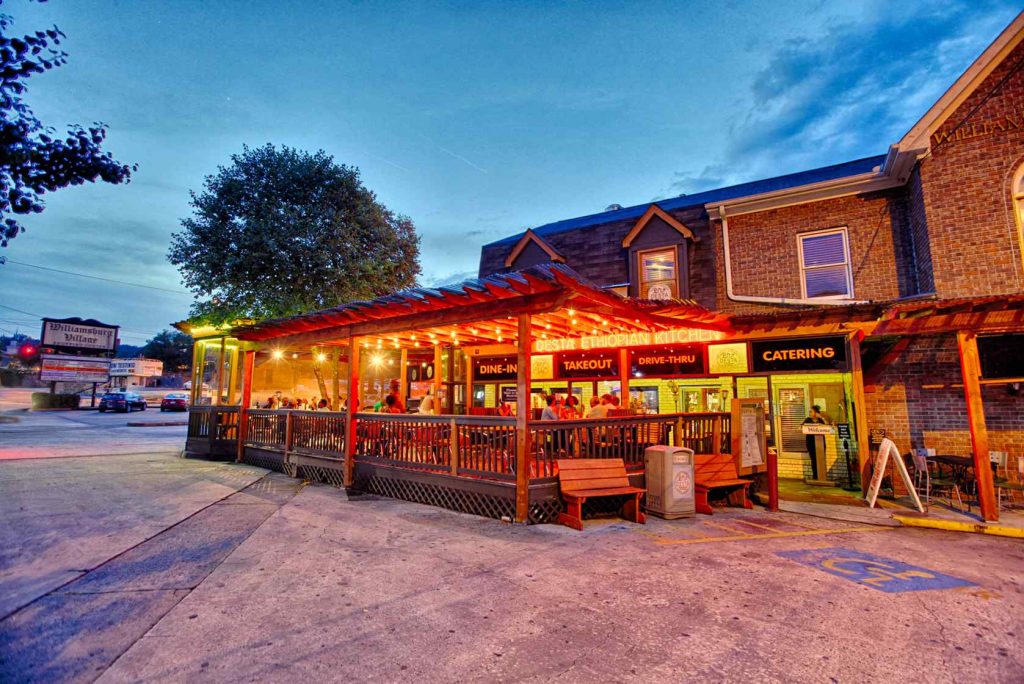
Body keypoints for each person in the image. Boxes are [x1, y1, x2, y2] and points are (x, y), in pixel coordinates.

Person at [803, 405, 830, 480]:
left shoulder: (820, 420)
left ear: (815, 412)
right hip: (811, 442)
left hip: (820, 442)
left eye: (811, 412)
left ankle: (822, 476)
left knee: (821, 459)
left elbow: (827, 425)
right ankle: (815, 476)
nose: (810, 413)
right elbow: (802, 427)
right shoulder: (808, 420)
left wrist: (821, 417)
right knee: (813, 459)